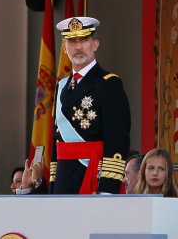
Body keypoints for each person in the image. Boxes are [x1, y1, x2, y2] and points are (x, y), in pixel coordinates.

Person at [50, 17, 131, 194]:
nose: (78, 47)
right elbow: (57, 140)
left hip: (93, 178)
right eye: (72, 41)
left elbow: (117, 140)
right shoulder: (62, 86)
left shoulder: (109, 84)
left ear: (95, 44)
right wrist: (53, 184)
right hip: (63, 181)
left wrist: (108, 188)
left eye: (84, 40)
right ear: (64, 48)